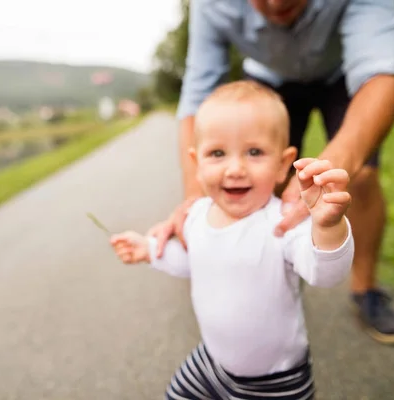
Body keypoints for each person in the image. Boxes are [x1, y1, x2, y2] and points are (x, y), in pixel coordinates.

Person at [148, 0, 394, 344]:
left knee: (358, 178)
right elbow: (198, 96)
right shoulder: (212, 5)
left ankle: (366, 291)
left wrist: (327, 173)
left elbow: (381, 73)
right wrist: (194, 198)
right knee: (259, 186)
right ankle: (271, 275)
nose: (275, 3)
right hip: (269, 79)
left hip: (344, 74)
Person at [109, 81, 354, 399]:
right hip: (211, 362)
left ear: (283, 164)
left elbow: (326, 275)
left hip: (274, 380)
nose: (235, 168)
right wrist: (149, 249)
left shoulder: (282, 223)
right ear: (197, 164)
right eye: (217, 153)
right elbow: (192, 259)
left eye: (254, 152)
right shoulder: (196, 214)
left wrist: (329, 227)